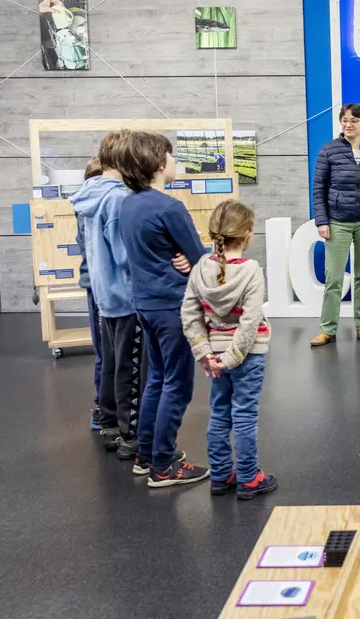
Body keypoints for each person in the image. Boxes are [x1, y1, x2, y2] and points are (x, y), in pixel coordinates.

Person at [118, 131, 210, 488]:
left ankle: (147, 454)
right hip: (173, 306)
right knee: (178, 385)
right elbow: (201, 257)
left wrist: (186, 258)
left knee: (156, 378)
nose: (175, 161)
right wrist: (191, 259)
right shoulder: (169, 207)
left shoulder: (128, 204)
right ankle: (163, 465)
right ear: (159, 164)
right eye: (171, 156)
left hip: (145, 303)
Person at [182, 199, 278, 500]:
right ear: (247, 235)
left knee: (220, 412)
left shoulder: (199, 268)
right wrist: (232, 358)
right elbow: (249, 323)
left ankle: (221, 475)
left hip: (214, 356)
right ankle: (249, 478)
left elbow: (190, 315)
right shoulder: (251, 271)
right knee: (245, 415)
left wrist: (206, 354)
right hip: (246, 356)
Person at [71, 131, 146, 464]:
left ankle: (110, 421)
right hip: (124, 295)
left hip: (104, 294)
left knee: (111, 361)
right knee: (126, 365)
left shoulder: (90, 193)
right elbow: (123, 254)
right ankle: (128, 433)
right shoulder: (117, 199)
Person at [310, 104, 360, 348]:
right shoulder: (329, 150)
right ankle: (328, 329)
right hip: (337, 221)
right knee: (333, 277)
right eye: (344, 120)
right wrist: (322, 221)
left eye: (353, 121)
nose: (348, 124)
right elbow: (319, 189)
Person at [76, 156, 105, 432]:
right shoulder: (105, 202)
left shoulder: (82, 204)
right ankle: (104, 410)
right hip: (105, 287)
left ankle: (102, 408)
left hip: (93, 285)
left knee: (103, 351)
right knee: (111, 352)